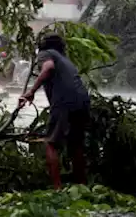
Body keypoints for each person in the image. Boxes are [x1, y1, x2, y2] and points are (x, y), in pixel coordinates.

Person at [18, 33, 90, 190]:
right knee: (75, 145)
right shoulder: (65, 60)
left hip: (64, 101)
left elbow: (48, 67)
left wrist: (31, 91)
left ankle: (57, 189)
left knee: (51, 143)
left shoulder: (46, 54)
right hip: (83, 100)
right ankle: (83, 187)